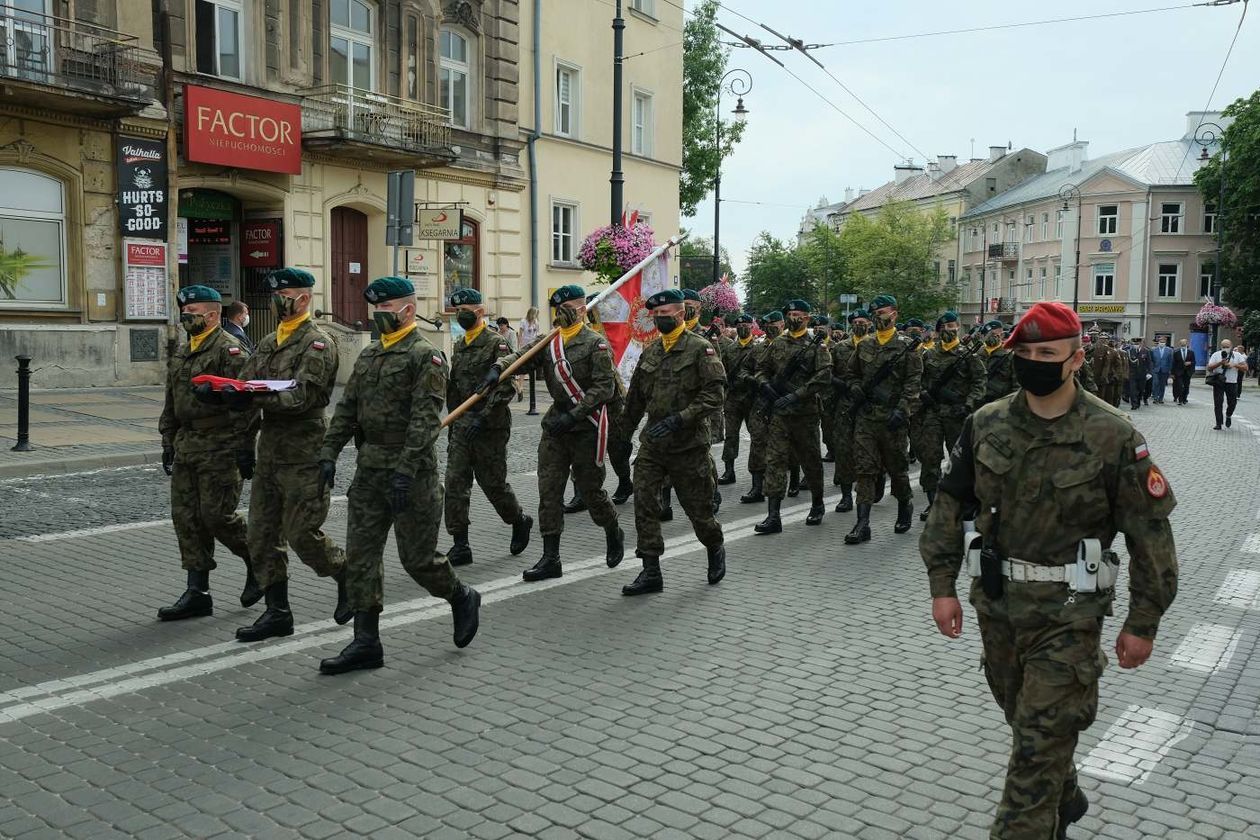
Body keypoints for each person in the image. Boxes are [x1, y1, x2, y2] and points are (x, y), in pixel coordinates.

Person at [922, 300, 1177, 839]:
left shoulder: (1113, 435)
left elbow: (1149, 535)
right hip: (997, 610)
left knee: (1032, 759)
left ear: (1076, 358)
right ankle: (1067, 796)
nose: (1034, 360)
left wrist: (1143, 622)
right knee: (1030, 727)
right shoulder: (985, 425)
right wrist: (940, 586)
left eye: (1048, 353)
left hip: (1070, 616)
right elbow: (948, 504)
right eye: (1026, 351)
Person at [317, 277, 481, 674]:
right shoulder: (370, 355)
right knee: (361, 556)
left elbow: (426, 422)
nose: (378, 317)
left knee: (418, 559)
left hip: (413, 473)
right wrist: (328, 453)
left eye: (386, 310)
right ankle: (366, 642)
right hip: (370, 469)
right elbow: (347, 409)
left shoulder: (427, 356)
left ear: (408, 310)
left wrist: (405, 472)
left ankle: (460, 596)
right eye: (375, 311)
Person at [223, 268, 349, 643]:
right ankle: (278, 612)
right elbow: (245, 387)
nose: (278, 301)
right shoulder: (266, 342)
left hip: (305, 450)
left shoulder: (318, 343)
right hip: (271, 451)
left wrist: (251, 396)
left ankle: (346, 574)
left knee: (302, 534)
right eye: (276, 295)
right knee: (262, 534)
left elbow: (304, 397)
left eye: (286, 295)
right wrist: (226, 400)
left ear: (305, 299)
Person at [490, 284, 623, 580]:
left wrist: (575, 414)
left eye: (567, 309)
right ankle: (551, 558)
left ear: (581, 309)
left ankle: (613, 529)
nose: (560, 314)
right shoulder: (549, 341)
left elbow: (604, 388)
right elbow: (522, 357)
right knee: (549, 492)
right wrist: (498, 369)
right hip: (555, 428)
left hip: (586, 426)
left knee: (591, 492)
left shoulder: (595, 343)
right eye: (556, 309)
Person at [157, 285, 259, 620]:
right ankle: (197, 591)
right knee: (186, 518)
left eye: (193, 314)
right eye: (184, 314)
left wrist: (244, 448)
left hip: (221, 443)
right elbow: (172, 402)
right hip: (188, 444)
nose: (186, 319)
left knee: (217, 516)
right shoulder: (183, 351)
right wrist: (167, 440)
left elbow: (247, 403)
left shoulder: (229, 351)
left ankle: (257, 560)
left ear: (213, 316)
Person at [619, 289, 727, 595]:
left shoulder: (700, 349)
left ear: (681, 315)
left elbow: (715, 395)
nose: (659, 320)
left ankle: (715, 546)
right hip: (654, 443)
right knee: (644, 501)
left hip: (688, 444)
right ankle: (650, 570)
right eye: (656, 316)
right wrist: (622, 436)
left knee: (698, 510)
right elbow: (636, 400)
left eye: (665, 315)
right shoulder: (651, 351)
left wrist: (680, 419)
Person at [443, 289, 533, 567]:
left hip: (489, 426)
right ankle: (461, 544)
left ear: (480, 311)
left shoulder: (497, 343)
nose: (460, 315)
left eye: (465, 310)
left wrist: (483, 416)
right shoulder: (459, 344)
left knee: (492, 484)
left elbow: (505, 386)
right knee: (456, 484)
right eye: (457, 311)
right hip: (461, 425)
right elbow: (455, 385)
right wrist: (453, 420)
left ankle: (519, 519)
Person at [843, 293, 923, 543]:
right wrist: (855, 387)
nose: (879, 318)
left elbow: (914, 382)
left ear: (894, 314)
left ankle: (905, 505)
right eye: (875, 315)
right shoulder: (865, 344)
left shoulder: (907, 345)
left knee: (897, 468)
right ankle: (862, 523)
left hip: (892, 419)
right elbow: (851, 373)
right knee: (865, 470)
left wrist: (902, 409)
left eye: (883, 313)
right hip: (867, 417)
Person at [752, 298, 832, 534]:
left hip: (805, 414)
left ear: (808, 318)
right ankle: (773, 516)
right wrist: (764, 385)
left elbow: (824, 375)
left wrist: (797, 395)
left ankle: (817, 504)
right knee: (775, 462)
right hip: (779, 414)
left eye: (799, 314)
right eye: (790, 314)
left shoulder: (817, 345)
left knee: (811, 461)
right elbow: (761, 369)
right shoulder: (777, 343)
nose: (793, 318)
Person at [911, 310, 985, 523]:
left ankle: (962, 503)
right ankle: (933, 503)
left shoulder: (968, 355)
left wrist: (969, 404)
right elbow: (918, 379)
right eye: (944, 328)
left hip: (957, 414)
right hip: (933, 413)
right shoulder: (928, 355)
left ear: (958, 329)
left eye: (952, 327)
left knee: (960, 460)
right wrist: (923, 393)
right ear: (938, 331)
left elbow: (979, 382)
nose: (949, 331)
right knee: (930, 457)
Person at [739, 311, 784, 505]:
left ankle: (794, 483)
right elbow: (744, 370)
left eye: (774, 323)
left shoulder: (799, 347)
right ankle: (757, 487)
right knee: (757, 444)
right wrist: (756, 381)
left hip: (786, 404)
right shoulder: (758, 349)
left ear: (782, 324)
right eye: (767, 324)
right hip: (761, 403)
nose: (770, 327)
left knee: (789, 447)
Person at [830, 309, 871, 512]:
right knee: (843, 451)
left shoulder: (877, 346)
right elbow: (828, 374)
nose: (859, 325)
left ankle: (871, 488)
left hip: (870, 407)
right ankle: (846, 495)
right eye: (855, 322)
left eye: (862, 321)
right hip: (845, 406)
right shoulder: (840, 348)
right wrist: (842, 385)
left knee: (869, 453)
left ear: (870, 324)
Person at [719, 313, 760, 487]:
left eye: (746, 325)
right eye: (739, 325)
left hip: (752, 398)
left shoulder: (759, 348)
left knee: (757, 437)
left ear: (752, 327)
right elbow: (723, 372)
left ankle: (757, 475)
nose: (742, 328)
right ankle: (729, 470)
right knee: (730, 436)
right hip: (734, 398)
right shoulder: (729, 349)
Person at [1208, 339, 1248, 430]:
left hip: (1232, 382)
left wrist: (1234, 365)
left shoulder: (1237, 355)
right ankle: (1218, 423)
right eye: (1223, 347)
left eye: (1227, 347)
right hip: (1219, 382)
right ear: (1221, 347)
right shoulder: (1216, 354)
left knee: (1232, 402)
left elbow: (1246, 368)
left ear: (1231, 346)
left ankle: (1228, 415)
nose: (1225, 348)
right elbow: (1209, 368)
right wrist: (1220, 363)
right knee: (1218, 403)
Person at [981, 321, 1016, 405]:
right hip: (979, 402)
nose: (990, 338)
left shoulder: (1009, 356)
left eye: (993, 334)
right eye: (987, 335)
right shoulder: (977, 354)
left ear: (1001, 334)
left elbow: (1017, 386)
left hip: (1000, 404)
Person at [1126, 337, 1151, 410]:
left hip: (1142, 374)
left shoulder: (1146, 351)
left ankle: (1138, 402)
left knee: (1140, 389)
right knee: (1133, 390)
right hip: (1132, 374)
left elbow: (1149, 363)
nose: (1136, 345)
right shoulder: (1129, 351)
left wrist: (1149, 372)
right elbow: (1127, 363)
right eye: (1135, 343)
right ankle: (1134, 404)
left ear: (1141, 343)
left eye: (1137, 343)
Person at [1171, 338, 1195, 405]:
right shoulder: (1176, 352)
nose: (1183, 345)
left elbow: (1194, 362)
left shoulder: (1191, 352)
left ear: (1187, 344)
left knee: (1186, 386)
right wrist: (1172, 373)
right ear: (1180, 344)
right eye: (1182, 344)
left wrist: (1190, 363)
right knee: (1180, 386)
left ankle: (1185, 398)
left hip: (1187, 372)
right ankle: (1180, 400)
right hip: (1178, 372)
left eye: (1184, 344)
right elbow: (1173, 363)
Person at [1149, 336, 1172, 404]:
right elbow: (1151, 360)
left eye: (1163, 342)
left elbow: (1170, 361)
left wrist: (1170, 370)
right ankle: (1155, 397)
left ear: (1165, 343)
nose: (1162, 343)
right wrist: (1151, 369)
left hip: (1165, 370)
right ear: (1158, 342)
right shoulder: (1153, 350)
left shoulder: (1169, 350)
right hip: (1156, 370)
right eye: (1161, 342)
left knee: (1162, 385)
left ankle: (1161, 398)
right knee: (1156, 383)